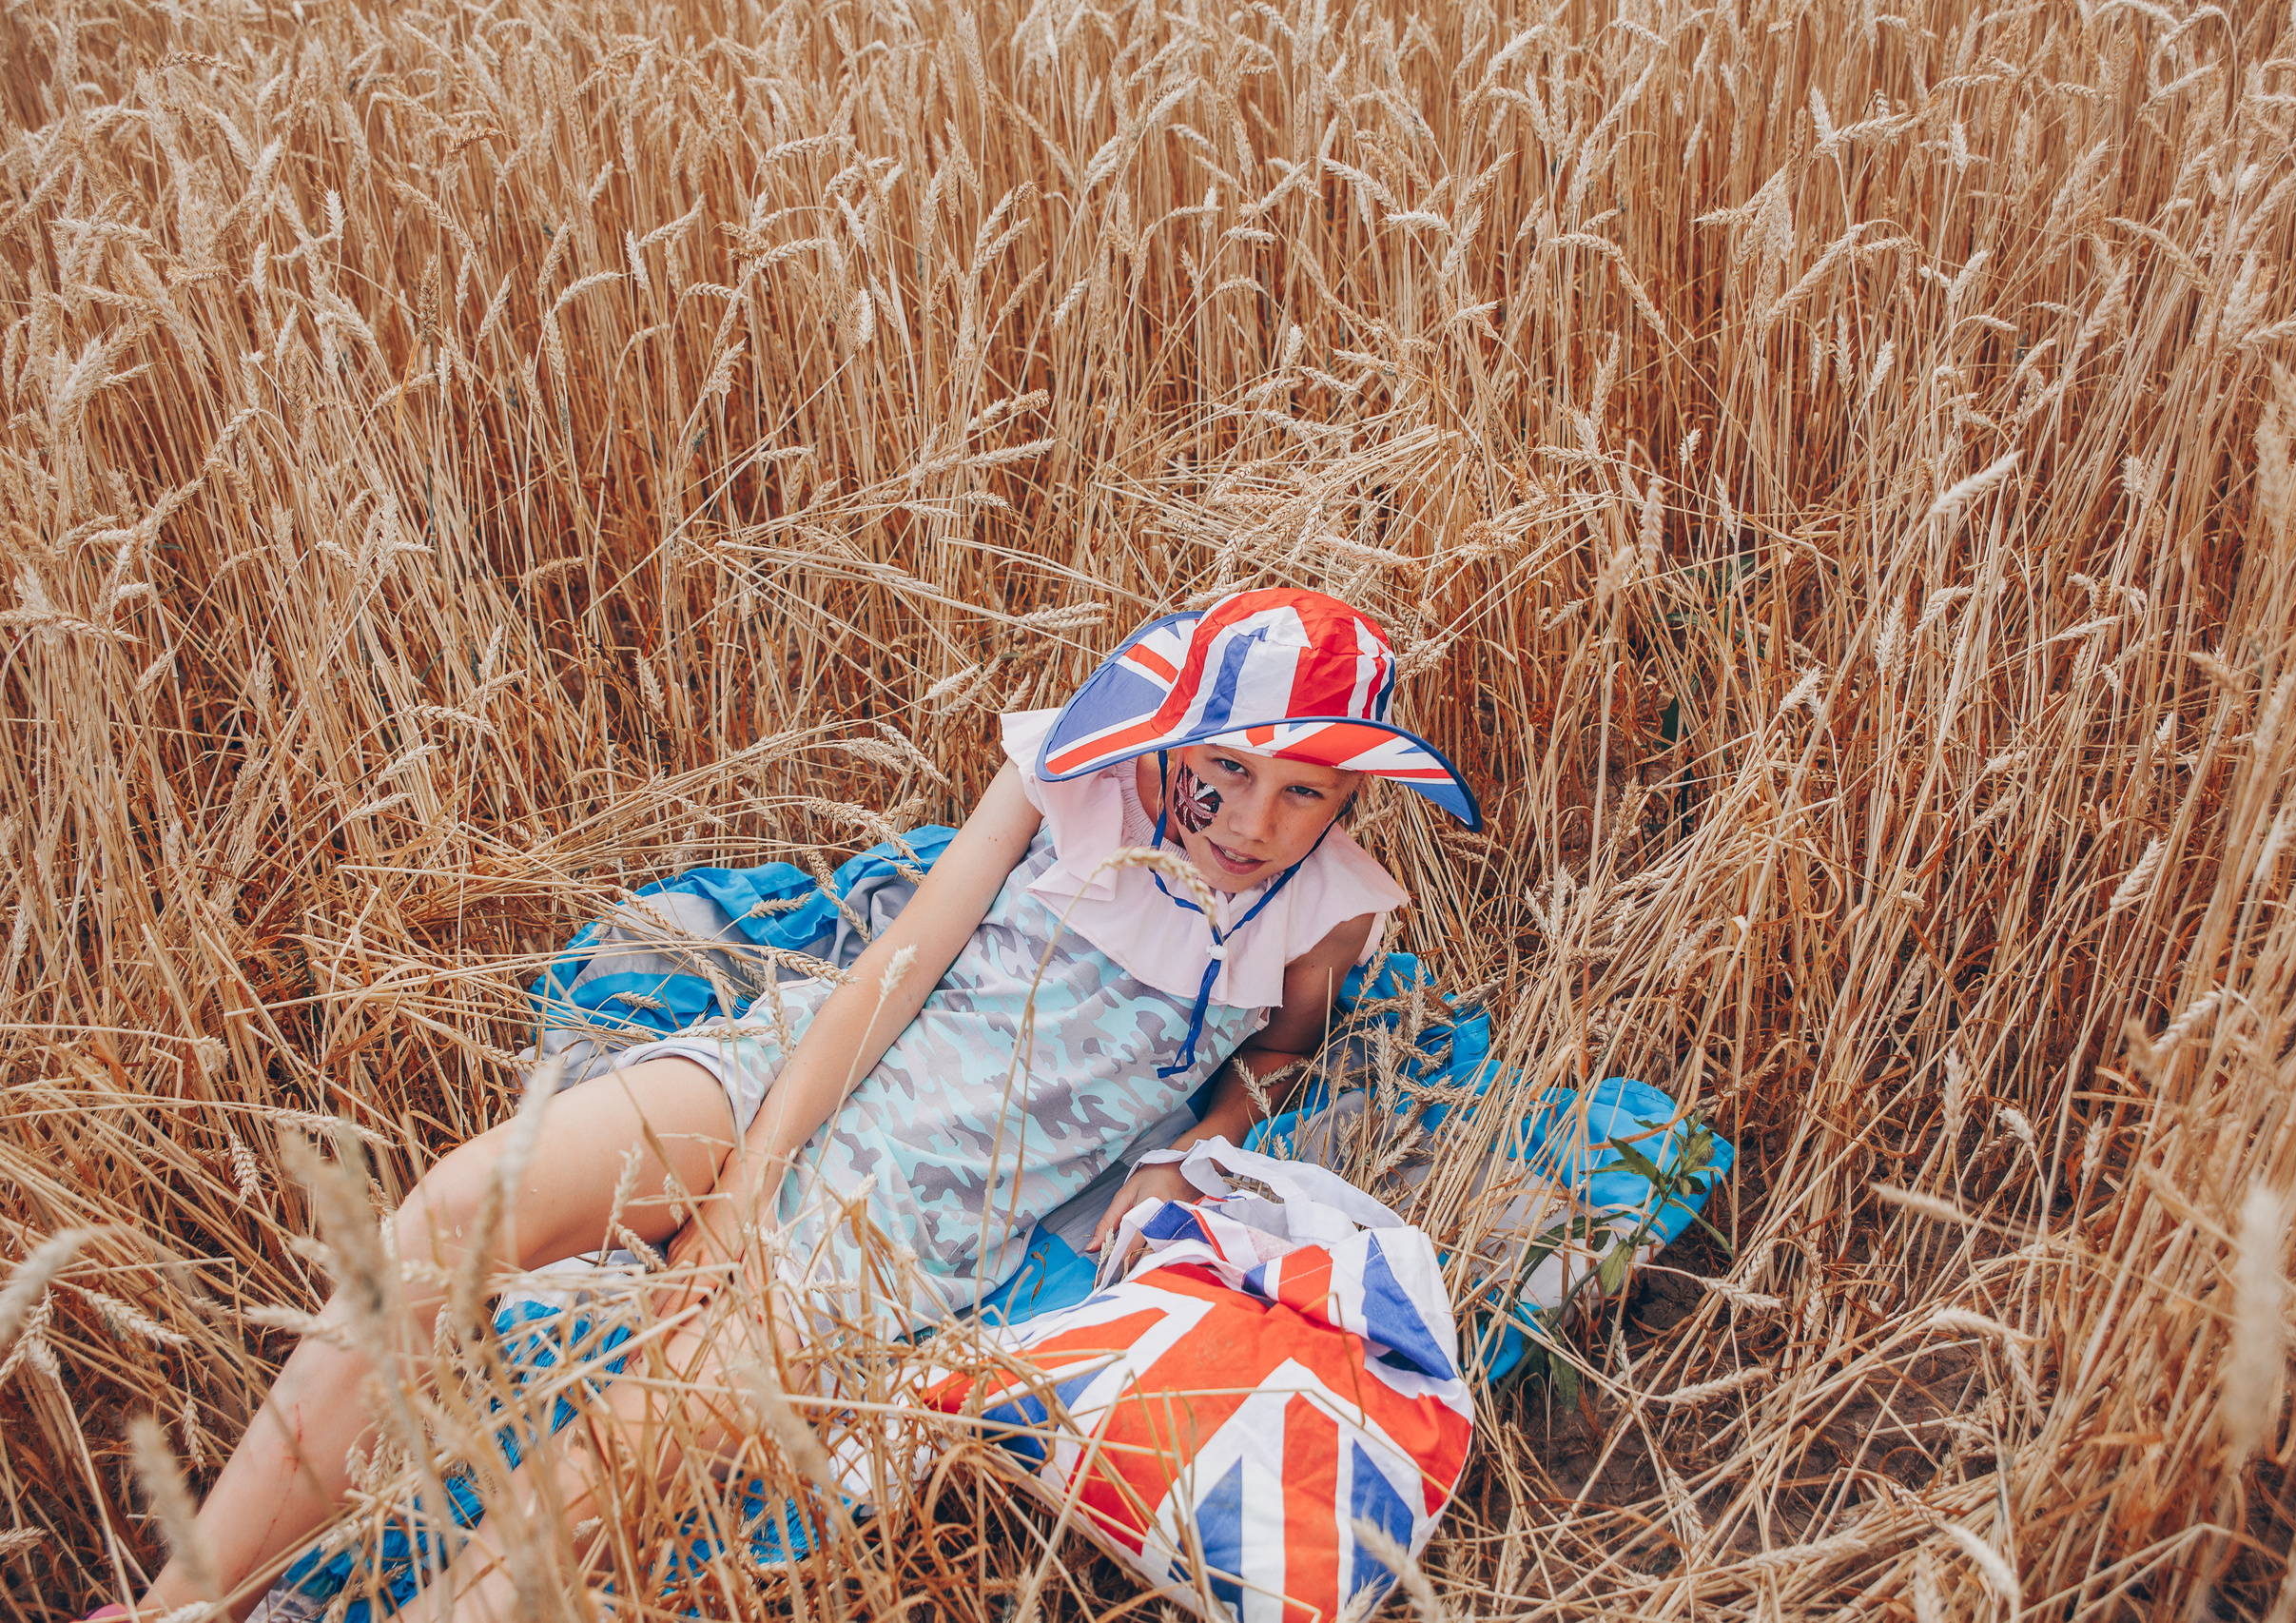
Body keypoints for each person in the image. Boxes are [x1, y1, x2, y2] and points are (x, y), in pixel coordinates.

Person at [96, 587, 1480, 1621]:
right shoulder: (1070, 777)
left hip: (921, 1209)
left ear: (1348, 797)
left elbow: (1281, 1050)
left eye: (1302, 789)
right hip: (800, 1067)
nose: (1251, 817)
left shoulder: (1329, 906)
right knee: (449, 1211)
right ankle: (182, 1603)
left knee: (595, 1476)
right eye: (1229, 767)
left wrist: (1192, 1154)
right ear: (1176, 733)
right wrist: (747, 1183)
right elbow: (890, 968)